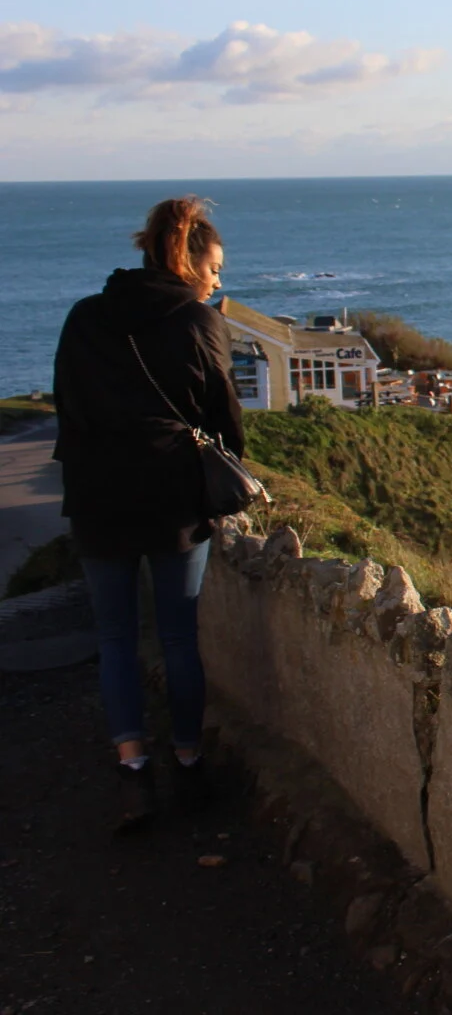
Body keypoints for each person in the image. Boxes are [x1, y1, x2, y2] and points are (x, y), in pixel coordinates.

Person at [53, 196, 243, 831]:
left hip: (98, 499)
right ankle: (187, 763)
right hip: (173, 502)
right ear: (187, 263)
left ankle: (133, 772)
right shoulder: (198, 321)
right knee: (177, 637)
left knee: (113, 638)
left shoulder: (84, 317)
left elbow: (68, 408)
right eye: (214, 268)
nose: (219, 281)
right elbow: (223, 417)